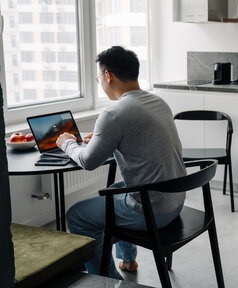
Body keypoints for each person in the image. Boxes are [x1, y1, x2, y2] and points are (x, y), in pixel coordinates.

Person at [56, 46, 186, 279]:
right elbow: (136, 141)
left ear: (108, 75)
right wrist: (101, 139)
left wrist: (66, 142)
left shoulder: (114, 113)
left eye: (99, 78)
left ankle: (108, 280)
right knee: (114, 190)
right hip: (175, 201)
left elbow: (87, 161)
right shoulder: (158, 102)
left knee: (77, 215)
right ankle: (128, 259)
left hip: (152, 209)